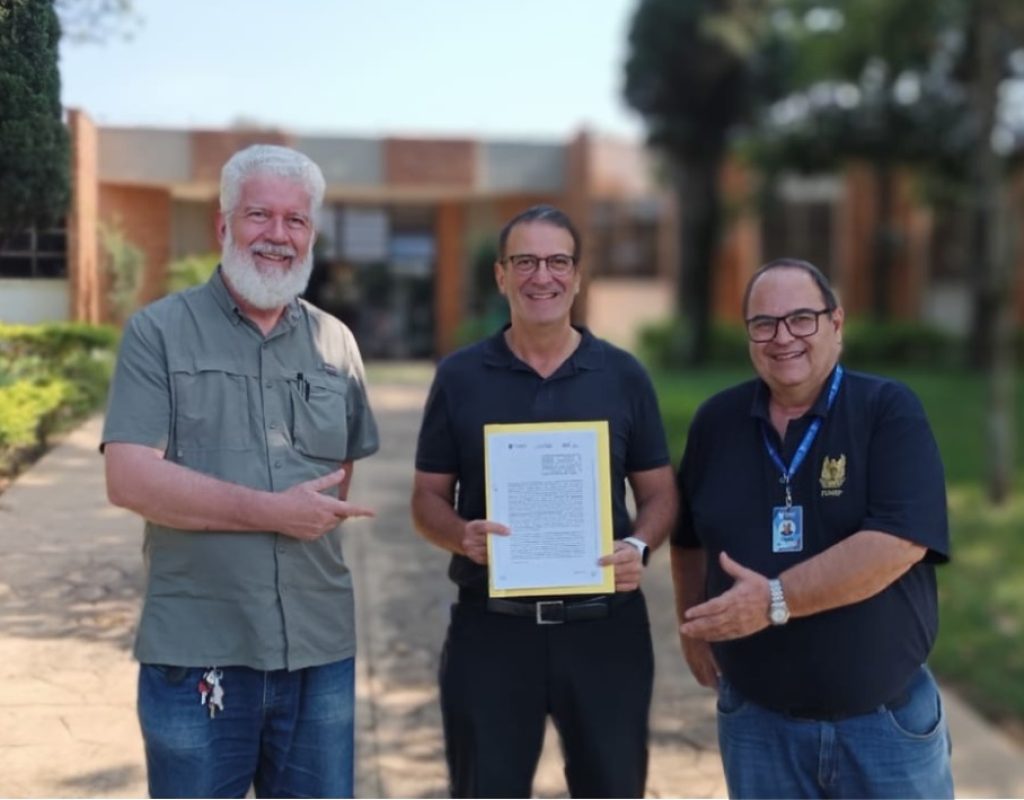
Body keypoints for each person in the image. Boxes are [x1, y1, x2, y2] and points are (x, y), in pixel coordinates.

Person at [102, 144, 379, 798]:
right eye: (260, 215)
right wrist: (271, 512)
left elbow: (340, 475)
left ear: (311, 234)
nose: (278, 236)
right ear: (224, 225)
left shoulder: (337, 344)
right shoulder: (158, 334)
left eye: (296, 221)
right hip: (200, 652)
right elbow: (131, 478)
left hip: (319, 649)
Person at [411, 205, 678, 799]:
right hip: (493, 632)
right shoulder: (459, 377)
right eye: (525, 262)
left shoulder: (623, 375)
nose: (543, 276)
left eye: (558, 261)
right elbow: (427, 497)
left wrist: (638, 543)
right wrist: (459, 535)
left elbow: (659, 492)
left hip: (604, 633)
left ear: (578, 276)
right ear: (501, 276)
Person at [672, 257, 954, 799]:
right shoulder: (716, 422)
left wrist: (774, 599)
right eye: (764, 324)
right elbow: (688, 538)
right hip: (758, 725)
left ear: (836, 323)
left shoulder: (887, 411)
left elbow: (896, 544)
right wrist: (694, 628)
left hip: (884, 725)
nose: (783, 338)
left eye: (802, 318)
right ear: (749, 334)